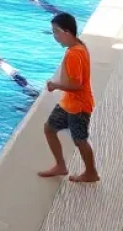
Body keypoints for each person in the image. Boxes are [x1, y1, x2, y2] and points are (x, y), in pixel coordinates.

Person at [39, 12, 98, 183]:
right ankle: (60, 165)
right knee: (49, 129)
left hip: (79, 106)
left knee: (80, 140)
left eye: (56, 31)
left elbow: (76, 84)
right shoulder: (79, 46)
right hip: (68, 104)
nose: (54, 36)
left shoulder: (73, 54)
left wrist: (55, 85)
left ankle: (91, 172)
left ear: (67, 32)